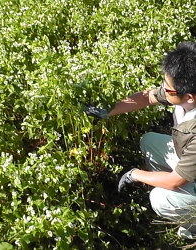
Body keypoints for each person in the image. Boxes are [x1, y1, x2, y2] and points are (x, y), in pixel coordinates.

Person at [85, 41, 196, 239]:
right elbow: (147, 97)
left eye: (168, 89)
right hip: (188, 159)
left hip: (184, 172)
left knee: (161, 198)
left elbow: (174, 181)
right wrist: (108, 111)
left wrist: (134, 174)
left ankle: (192, 226)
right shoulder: (184, 88)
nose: (163, 89)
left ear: (189, 97)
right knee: (149, 141)